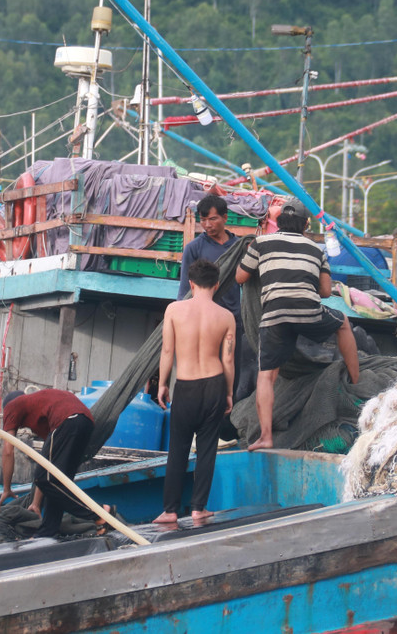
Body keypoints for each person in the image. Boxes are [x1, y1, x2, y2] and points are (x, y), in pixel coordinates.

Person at [235, 200, 361, 451]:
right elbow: (325, 292)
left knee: (266, 377)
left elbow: (240, 277)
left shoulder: (260, 243)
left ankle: (266, 436)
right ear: (305, 224)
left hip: (275, 316)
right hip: (309, 313)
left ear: (279, 222)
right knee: (343, 323)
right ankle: (356, 384)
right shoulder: (316, 250)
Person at [154, 258, 234, 524]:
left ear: (190, 283)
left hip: (186, 384)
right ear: (217, 284)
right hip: (214, 384)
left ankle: (170, 510)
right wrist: (229, 393)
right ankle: (199, 508)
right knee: (207, 448)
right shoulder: (226, 316)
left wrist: (163, 383)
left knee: (178, 449)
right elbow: (228, 360)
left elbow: (167, 351)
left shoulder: (174, 310)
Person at [0, 388, 111, 537]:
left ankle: (99, 513)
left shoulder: (12, 406)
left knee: (46, 479)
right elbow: (47, 462)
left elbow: (8, 450)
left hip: (69, 419)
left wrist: (6, 488)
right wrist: (36, 504)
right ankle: (48, 530)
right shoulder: (41, 410)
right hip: (85, 422)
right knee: (58, 482)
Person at [177, 194, 252, 401]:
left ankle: (221, 418)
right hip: (202, 322)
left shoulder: (239, 248)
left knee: (230, 376)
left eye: (212, 219)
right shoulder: (194, 248)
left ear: (225, 217)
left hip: (232, 320)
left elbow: (249, 286)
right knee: (201, 374)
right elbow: (185, 288)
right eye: (203, 220)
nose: (207, 225)